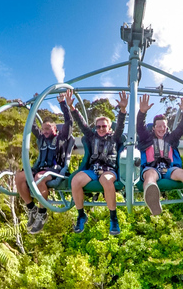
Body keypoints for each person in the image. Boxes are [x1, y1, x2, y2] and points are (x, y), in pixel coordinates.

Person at [67, 91, 128, 236]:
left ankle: (113, 218)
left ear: (109, 128)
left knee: (106, 180)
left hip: (108, 170)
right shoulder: (91, 136)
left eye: (104, 126)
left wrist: (122, 110)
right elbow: (81, 124)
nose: (101, 129)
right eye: (98, 126)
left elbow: (120, 125)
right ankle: (81, 215)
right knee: (75, 180)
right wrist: (72, 108)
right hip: (92, 170)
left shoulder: (114, 137)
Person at [15, 89, 73, 233]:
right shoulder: (41, 138)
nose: (45, 131)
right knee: (19, 177)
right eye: (43, 129)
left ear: (55, 129)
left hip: (55, 170)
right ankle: (31, 208)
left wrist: (63, 104)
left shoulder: (61, 138)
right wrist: (34, 105)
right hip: (40, 168)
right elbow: (31, 124)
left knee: (39, 178)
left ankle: (42, 213)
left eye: (48, 128)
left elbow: (69, 122)